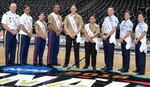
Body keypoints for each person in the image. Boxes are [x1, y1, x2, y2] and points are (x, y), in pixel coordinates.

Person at [63, 4, 84, 68]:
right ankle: (66, 63)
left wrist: (75, 33)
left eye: (74, 8)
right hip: (68, 35)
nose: (73, 9)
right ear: (70, 9)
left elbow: (80, 26)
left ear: (76, 9)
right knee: (68, 49)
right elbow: (65, 27)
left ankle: (77, 64)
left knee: (76, 50)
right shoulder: (67, 17)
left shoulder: (79, 17)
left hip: (76, 35)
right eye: (72, 8)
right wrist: (70, 34)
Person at [101, 7, 119, 72]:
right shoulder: (106, 18)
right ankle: (106, 65)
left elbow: (114, 29)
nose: (110, 11)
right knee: (106, 52)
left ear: (113, 11)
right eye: (108, 10)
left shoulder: (115, 19)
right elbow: (102, 26)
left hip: (110, 37)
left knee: (110, 52)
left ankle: (110, 66)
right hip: (105, 36)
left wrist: (107, 36)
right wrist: (103, 34)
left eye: (111, 10)